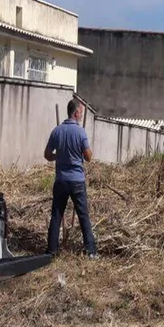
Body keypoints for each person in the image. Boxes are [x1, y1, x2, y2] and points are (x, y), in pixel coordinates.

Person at [44, 98, 98, 259]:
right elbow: (88, 157)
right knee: (83, 215)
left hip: (61, 180)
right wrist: (78, 153)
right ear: (76, 113)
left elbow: (47, 155)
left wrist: (58, 157)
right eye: (80, 112)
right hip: (77, 181)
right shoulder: (80, 132)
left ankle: (51, 251)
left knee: (56, 215)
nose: (81, 115)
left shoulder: (57, 131)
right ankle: (91, 251)